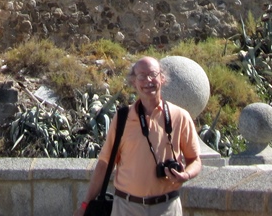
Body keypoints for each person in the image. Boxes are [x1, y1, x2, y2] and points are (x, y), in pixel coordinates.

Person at [74, 57, 201, 216]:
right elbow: (105, 164)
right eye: (141, 76)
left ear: (162, 78)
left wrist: (186, 175)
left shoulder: (180, 116)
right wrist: (85, 205)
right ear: (133, 81)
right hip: (126, 207)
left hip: (167, 207)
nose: (148, 80)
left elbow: (195, 160)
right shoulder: (122, 118)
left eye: (153, 74)